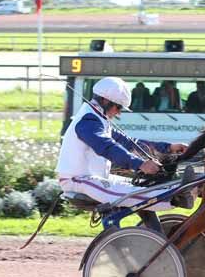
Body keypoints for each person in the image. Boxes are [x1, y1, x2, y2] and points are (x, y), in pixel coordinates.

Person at [55, 77, 196, 212]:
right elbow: (107, 147)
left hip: (94, 178)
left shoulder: (98, 119)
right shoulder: (88, 121)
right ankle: (174, 198)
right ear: (105, 100)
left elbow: (129, 142)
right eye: (118, 107)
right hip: (77, 180)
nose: (118, 113)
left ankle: (173, 195)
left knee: (141, 187)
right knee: (133, 195)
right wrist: (139, 164)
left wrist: (169, 148)